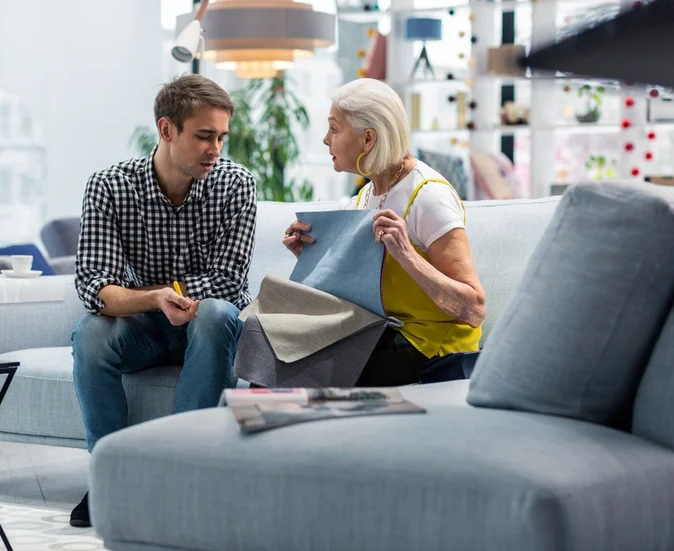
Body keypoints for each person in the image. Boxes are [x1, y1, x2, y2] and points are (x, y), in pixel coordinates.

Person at [69, 74, 257, 527]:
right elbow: (95, 286)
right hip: (145, 331)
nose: (216, 149)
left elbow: (229, 284)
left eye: (221, 137)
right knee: (91, 333)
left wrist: (162, 293)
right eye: (204, 136)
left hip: (204, 329)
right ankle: (111, 476)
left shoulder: (236, 186)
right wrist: (155, 298)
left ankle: (179, 474)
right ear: (166, 129)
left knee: (216, 312)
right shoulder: (110, 186)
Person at [283, 78, 485, 386]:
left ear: (368, 140)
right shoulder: (365, 197)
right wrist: (311, 256)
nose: (325, 140)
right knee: (283, 351)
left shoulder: (429, 197)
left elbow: (473, 309)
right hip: (381, 332)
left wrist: (406, 255)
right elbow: (359, 292)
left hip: (433, 347)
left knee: (308, 369)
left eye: (334, 129)